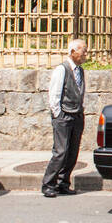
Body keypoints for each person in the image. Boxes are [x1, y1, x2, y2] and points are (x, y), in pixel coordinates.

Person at [41, 39, 88, 198]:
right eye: (83, 51)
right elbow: (54, 94)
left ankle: (63, 183)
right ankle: (48, 184)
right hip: (64, 115)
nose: (85, 54)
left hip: (77, 114)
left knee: (72, 153)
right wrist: (58, 114)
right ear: (73, 52)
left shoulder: (80, 70)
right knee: (61, 152)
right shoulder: (62, 70)